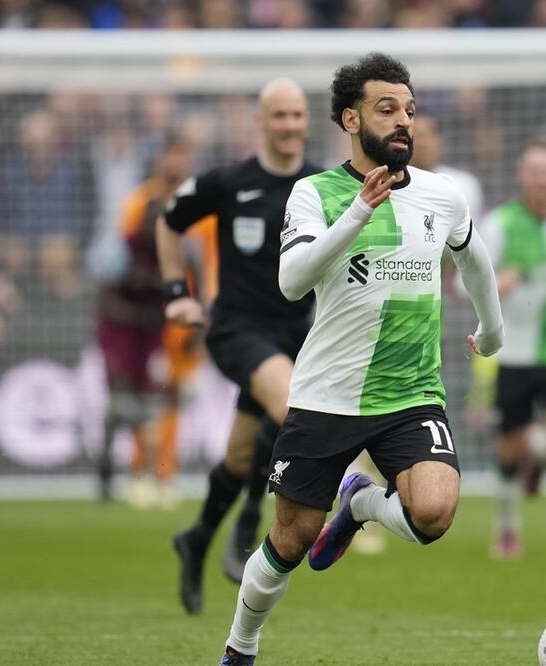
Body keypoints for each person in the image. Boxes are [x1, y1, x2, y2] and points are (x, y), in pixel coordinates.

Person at [219, 52, 503, 665]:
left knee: (433, 512)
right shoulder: (313, 192)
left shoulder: (441, 195)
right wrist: (360, 209)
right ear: (350, 119)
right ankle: (240, 648)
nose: (403, 121)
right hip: (326, 394)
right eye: (386, 109)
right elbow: (292, 281)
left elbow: (475, 262)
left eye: (409, 110)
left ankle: (361, 503)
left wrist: (493, 331)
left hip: (411, 393)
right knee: (290, 540)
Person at [159, 78, 322, 614]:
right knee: (289, 404)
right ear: (260, 122)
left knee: (238, 453)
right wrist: (177, 292)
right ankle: (251, 521)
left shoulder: (321, 184)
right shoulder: (229, 181)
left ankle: (199, 537)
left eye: (297, 115)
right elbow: (169, 221)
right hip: (236, 329)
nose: (291, 125)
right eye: (280, 116)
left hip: (296, 333)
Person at [481, 140, 546, 558]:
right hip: (515, 353)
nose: (542, 180)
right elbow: (467, 280)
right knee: (507, 448)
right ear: (522, 176)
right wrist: (494, 285)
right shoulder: (499, 224)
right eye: (534, 172)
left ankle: (537, 456)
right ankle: (507, 528)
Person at [94, 134, 193, 506]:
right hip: (122, 331)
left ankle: (156, 473)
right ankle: (117, 465)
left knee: (159, 400)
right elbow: (105, 295)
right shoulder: (123, 250)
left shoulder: (184, 245)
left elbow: (199, 268)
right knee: (123, 401)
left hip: (161, 329)